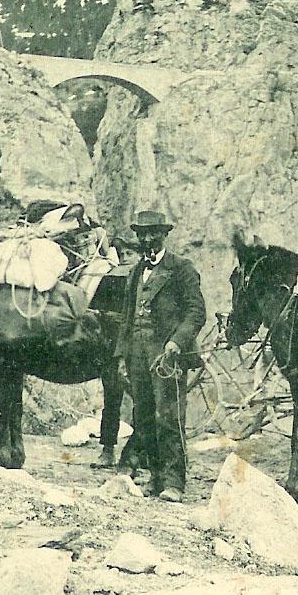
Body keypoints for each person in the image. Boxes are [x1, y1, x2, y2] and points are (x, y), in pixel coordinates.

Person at [115, 210, 206, 502]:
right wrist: (121, 356)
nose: (147, 238)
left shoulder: (182, 268)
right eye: (142, 233)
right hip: (137, 355)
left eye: (153, 232)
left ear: (164, 234)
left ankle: (174, 483)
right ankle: (155, 478)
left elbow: (196, 312)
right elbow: (127, 318)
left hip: (168, 357)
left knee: (169, 418)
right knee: (143, 416)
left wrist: (177, 342)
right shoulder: (134, 272)